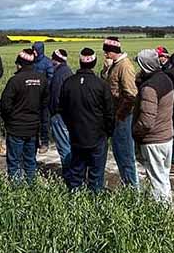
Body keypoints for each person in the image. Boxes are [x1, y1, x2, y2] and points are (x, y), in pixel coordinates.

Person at [58, 48, 114, 192]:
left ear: (80, 62)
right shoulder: (101, 84)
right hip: (97, 136)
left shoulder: (68, 83)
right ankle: (95, 202)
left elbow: (62, 109)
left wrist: (71, 127)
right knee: (96, 173)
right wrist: (108, 132)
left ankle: (75, 197)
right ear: (94, 63)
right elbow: (109, 113)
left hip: (76, 135)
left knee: (76, 170)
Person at [0, 49, 49, 184]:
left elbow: (5, 105)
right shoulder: (42, 79)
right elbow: (45, 104)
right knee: (30, 160)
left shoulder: (15, 80)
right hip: (33, 128)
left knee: (14, 161)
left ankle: (16, 189)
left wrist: (9, 121)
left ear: (20, 64)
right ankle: (31, 185)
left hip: (16, 128)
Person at [133, 49, 174, 202]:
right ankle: (167, 204)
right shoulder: (165, 79)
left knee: (157, 180)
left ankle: (161, 214)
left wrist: (135, 133)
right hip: (167, 136)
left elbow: (147, 121)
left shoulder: (149, 88)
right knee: (163, 176)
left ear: (144, 66)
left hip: (154, 140)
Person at [100, 36, 140, 188]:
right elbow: (107, 84)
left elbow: (131, 95)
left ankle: (132, 189)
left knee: (125, 154)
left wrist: (119, 116)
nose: (105, 55)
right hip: (117, 114)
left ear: (113, 51)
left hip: (122, 116)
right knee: (118, 151)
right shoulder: (115, 64)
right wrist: (106, 70)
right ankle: (127, 185)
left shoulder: (125, 66)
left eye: (106, 52)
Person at [47, 49, 73, 172]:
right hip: (67, 114)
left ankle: (68, 175)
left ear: (55, 60)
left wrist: (53, 111)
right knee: (69, 145)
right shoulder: (67, 71)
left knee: (64, 147)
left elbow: (56, 97)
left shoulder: (59, 74)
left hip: (59, 115)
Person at [32, 41, 54, 154]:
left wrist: (41, 87)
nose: (34, 52)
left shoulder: (47, 63)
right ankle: (34, 142)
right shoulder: (31, 62)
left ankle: (45, 143)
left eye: (36, 50)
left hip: (44, 97)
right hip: (33, 97)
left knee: (45, 122)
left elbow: (51, 79)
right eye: (33, 49)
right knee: (34, 121)